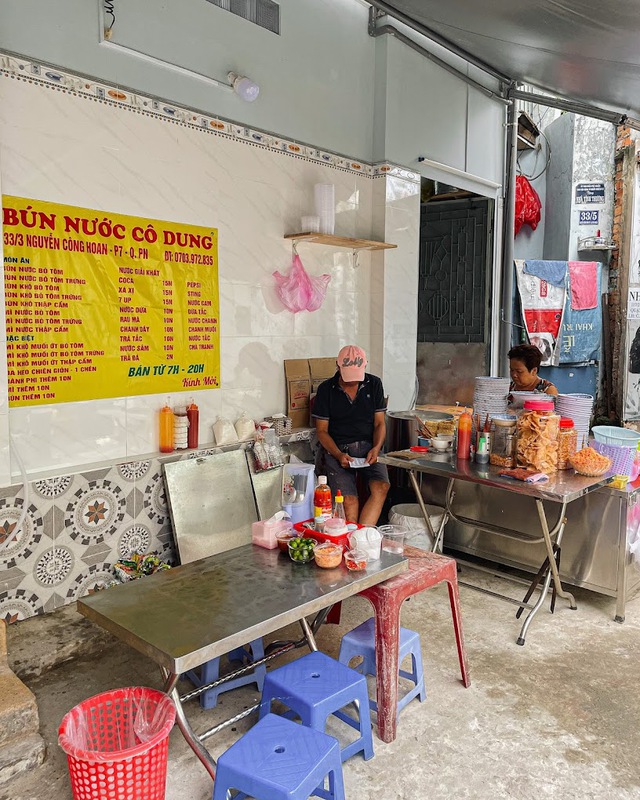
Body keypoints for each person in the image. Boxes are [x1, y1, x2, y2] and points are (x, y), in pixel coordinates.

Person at [312, 345, 389, 525]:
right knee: (348, 501)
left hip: (370, 447)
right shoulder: (326, 390)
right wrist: (338, 455)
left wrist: (376, 448)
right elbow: (322, 431)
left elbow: (379, 423)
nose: (353, 383)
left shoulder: (374, 384)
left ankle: (361, 539)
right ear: (338, 367)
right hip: (338, 449)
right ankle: (351, 541)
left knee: (381, 487)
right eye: (348, 378)